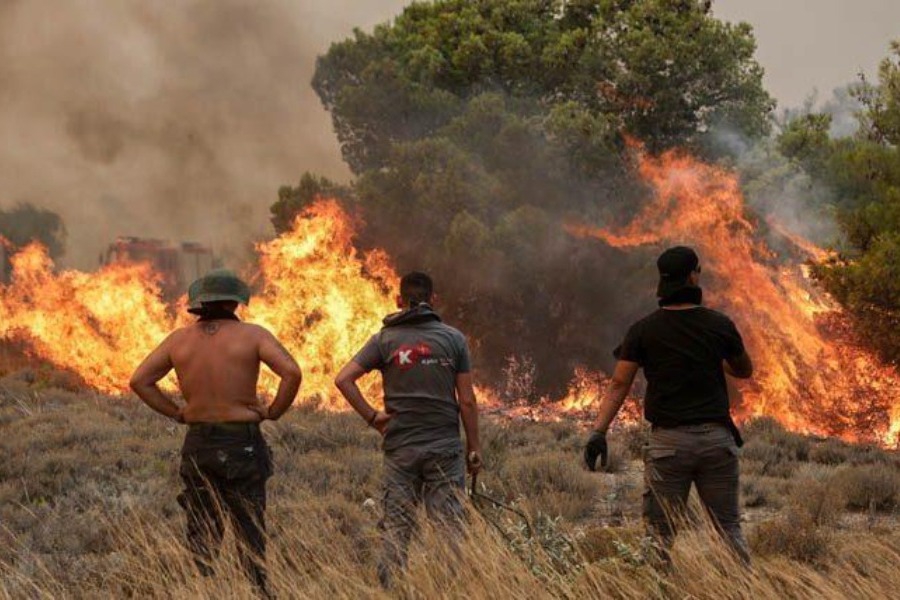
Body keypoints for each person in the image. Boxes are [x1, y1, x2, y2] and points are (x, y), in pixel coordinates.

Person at [130, 268, 302, 596]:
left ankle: (201, 589)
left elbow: (140, 381)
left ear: (198, 304)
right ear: (235, 303)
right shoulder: (253, 335)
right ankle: (257, 591)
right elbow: (291, 372)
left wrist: (177, 413)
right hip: (242, 443)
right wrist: (274, 412)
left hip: (198, 443)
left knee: (202, 528)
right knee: (249, 527)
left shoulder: (178, 340)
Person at [583, 246, 753, 565]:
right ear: (692, 276)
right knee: (729, 528)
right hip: (717, 442)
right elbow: (744, 370)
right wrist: (715, 358)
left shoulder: (643, 330)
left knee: (659, 535)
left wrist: (598, 431)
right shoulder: (719, 325)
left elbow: (620, 383)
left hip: (669, 446)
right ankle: (743, 591)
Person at [334, 271, 481, 588]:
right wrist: (474, 449)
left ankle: (389, 590)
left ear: (399, 300)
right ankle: (448, 591)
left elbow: (343, 379)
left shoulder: (384, 340)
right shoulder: (454, 339)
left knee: (397, 527)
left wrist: (373, 418)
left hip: (401, 450)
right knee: (448, 525)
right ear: (434, 300)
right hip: (444, 448)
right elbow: (467, 401)